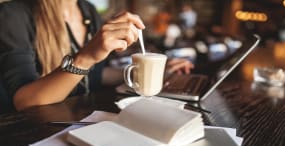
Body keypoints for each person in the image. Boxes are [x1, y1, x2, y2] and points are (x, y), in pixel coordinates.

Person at [0, 0, 193, 112]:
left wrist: (150, 72)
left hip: (82, 123)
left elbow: (96, 75)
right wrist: (85, 57)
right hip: (34, 137)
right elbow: (24, 100)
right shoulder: (13, 14)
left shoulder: (88, 11)